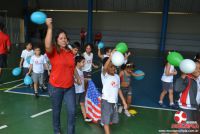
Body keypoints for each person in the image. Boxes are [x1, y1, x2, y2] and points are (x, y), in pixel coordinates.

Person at [45, 18, 80, 134]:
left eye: (65, 38)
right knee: (56, 111)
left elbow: (72, 67)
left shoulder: (70, 52)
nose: (64, 40)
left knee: (72, 111)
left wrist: (77, 77)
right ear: (57, 40)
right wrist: (50, 28)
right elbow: (47, 44)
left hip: (69, 87)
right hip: (56, 87)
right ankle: (57, 131)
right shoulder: (53, 51)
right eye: (61, 38)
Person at [101, 53, 128, 134]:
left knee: (110, 119)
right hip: (106, 101)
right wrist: (111, 57)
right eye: (111, 67)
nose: (113, 68)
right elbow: (105, 67)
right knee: (106, 121)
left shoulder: (116, 77)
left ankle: (104, 123)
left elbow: (118, 89)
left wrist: (124, 102)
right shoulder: (105, 75)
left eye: (114, 67)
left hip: (114, 102)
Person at [74, 56, 92, 122]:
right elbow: (71, 79)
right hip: (76, 91)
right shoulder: (74, 70)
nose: (84, 64)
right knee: (74, 104)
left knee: (82, 103)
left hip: (81, 90)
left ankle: (85, 117)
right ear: (78, 63)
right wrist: (76, 81)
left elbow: (81, 79)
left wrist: (85, 81)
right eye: (83, 62)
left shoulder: (81, 70)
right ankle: (72, 114)